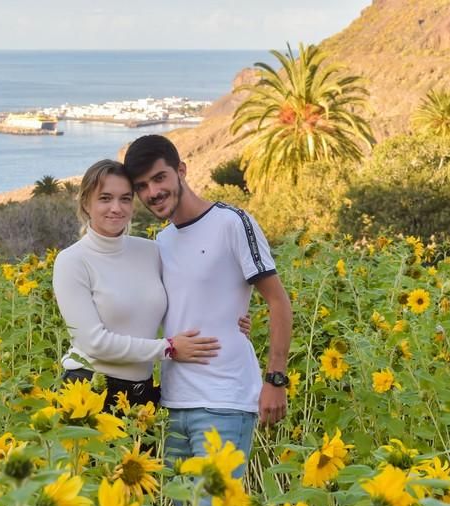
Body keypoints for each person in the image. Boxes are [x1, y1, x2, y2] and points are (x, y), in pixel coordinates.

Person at [123, 135, 292, 479]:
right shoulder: (162, 241)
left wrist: (275, 379)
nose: (152, 192)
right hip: (173, 404)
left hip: (225, 401)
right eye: (142, 186)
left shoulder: (232, 222)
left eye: (159, 178)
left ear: (181, 171)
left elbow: (278, 300)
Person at [51, 159, 228, 409]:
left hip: (142, 396)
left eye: (125, 198)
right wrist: (169, 349)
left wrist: (232, 316)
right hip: (89, 392)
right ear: (86, 204)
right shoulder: (72, 261)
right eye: (105, 198)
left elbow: (192, 291)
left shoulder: (151, 251)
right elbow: (94, 343)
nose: (116, 208)